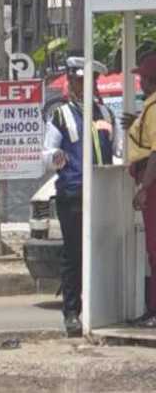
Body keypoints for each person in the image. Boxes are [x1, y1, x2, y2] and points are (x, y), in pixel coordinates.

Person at [42, 57, 117, 337]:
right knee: (74, 255)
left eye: (89, 81)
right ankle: (71, 313)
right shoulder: (60, 115)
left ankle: (100, 309)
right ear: (70, 83)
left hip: (102, 193)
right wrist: (56, 158)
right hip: (73, 193)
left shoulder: (105, 114)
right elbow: (46, 154)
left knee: (102, 253)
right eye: (77, 81)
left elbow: (115, 150)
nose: (83, 86)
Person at [125, 52, 156, 327]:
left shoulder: (155, 107)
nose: (140, 83)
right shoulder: (149, 107)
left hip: (154, 184)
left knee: (155, 249)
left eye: (142, 78)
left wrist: (144, 187)